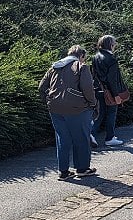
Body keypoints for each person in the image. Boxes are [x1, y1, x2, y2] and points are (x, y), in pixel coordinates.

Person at [38, 45, 98, 180]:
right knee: (81, 138)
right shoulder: (81, 67)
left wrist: (48, 100)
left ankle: (63, 171)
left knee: (62, 139)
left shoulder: (55, 67)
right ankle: (82, 169)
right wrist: (92, 103)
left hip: (55, 108)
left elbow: (42, 87)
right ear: (81, 56)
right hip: (78, 108)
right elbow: (88, 88)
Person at [91, 35, 128, 147]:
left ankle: (91, 133)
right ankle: (110, 138)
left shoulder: (95, 57)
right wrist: (116, 95)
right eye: (114, 43)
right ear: (111, 45)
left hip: (98, 89)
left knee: (100, 113)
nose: (115, 45)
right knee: (111, 113)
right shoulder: (112, 59)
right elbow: (112, 79)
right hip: (109, 91)